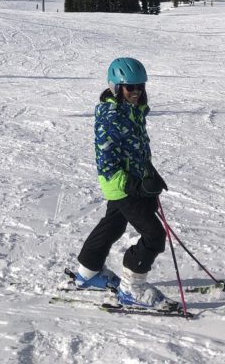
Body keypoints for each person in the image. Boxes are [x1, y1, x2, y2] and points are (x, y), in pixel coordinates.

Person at [72, 57, 175, 310]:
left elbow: (135, 149)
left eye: (140, 86)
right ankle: (132, 288)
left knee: (112, 225)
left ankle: (88, 272)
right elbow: (106, 162)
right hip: (121, 185)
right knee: (154, 234)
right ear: (117, 87)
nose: (136, 92)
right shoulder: (112, 116)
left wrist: (149, 172)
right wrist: (135, 186)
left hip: (134, 180)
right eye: (130, 87)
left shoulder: (133, 111)